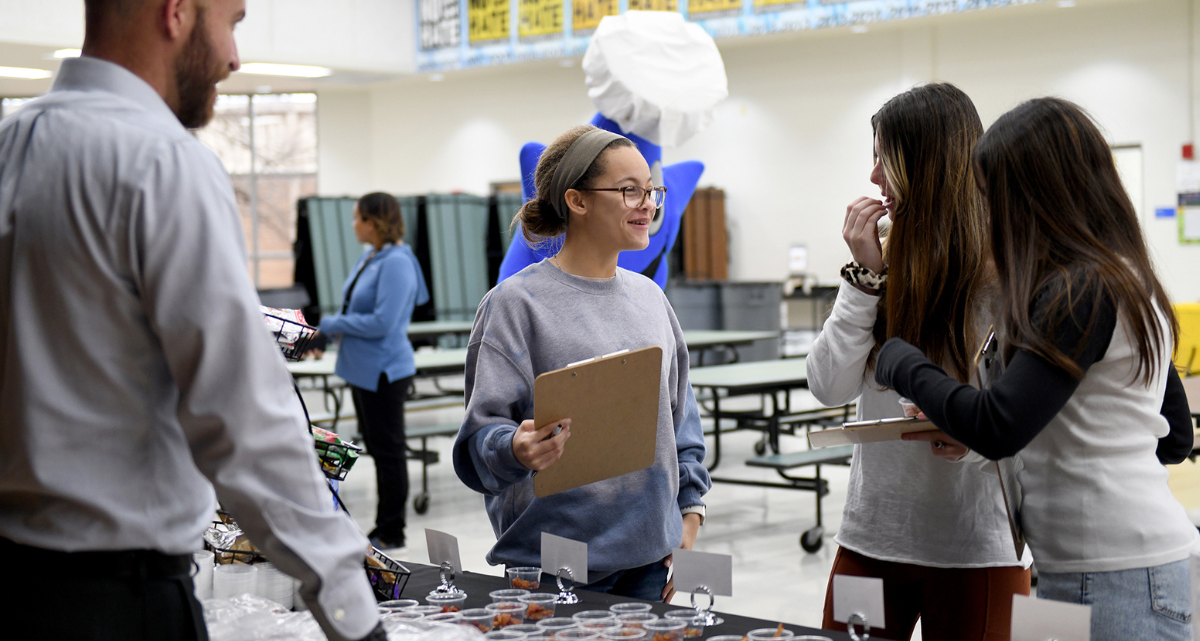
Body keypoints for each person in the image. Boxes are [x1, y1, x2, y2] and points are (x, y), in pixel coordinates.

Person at [0, 1, 383, 640]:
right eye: (231, 21)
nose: (234, 58)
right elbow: (245, 419)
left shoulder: (9, 147)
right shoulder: (161, 162)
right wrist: (351, 611)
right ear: (176, 12)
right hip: (119, 603)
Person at [874, 97, 1197, 641]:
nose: (990, 215)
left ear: (1034, 196)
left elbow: (998, 424)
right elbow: (1173, 437)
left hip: (1113, 574)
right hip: (1093, 568)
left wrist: (901, 360)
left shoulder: (1080, 290)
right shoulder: (1124, 277)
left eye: (994, 197)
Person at [807, 83, 1030, 641]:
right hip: (871, 540)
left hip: (976, 547)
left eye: (886, 157)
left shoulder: (1008, 271)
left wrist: (976, 442)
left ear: (927, 166)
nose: (875, 175)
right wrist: (865, 280)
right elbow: (828, 385)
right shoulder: (882, 256)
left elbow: (1034, 417)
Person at [453, 125, 711, 601]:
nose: (649, 204)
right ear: (577, 200)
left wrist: (688, 518)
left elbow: (682, 426)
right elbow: (477, 444)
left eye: (652, 190)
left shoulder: (652, 299)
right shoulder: (516, 304)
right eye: (630, 190)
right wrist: (516, 449)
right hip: (552, 566)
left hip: (651, 560)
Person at [318, 192, 428, 552]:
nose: (353, 225)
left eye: (357, 218)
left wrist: (334, 323)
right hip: (361, 369)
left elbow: (384, 322)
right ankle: (384, 525)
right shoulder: (372, 256)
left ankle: (392, 529)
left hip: (384, 370)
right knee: (379, 450)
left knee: (389, 452)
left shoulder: (397, 261)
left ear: (374, 222)